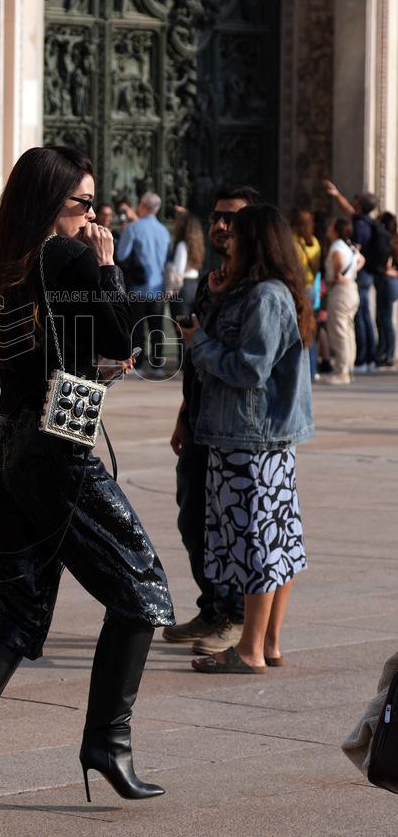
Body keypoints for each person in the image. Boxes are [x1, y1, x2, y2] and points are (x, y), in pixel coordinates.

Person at [0, 146, 174, 814]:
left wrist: (94, 361)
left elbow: (53, 356)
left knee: (21, 614)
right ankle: (106, 743)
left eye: (95, 204)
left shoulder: (11, 262)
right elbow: (123, 335)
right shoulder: (66, 256)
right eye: (81, 203)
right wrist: (109, 264)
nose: (94, 215)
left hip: (12, 446)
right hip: (59, 449)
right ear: (49, 205)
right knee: (142, 588)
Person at [181, 204, 314, 673]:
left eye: (235, 235)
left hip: (249, 439)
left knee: (257, 543)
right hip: (257, 438)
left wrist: (198, 342)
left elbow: (250, 368)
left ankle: (249, 649)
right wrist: (215, 300)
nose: (227, 241)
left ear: (255, 242)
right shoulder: (260, 293)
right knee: (278, 539)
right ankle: (269, 643)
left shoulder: (266, 297)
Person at [165, 185, 261, 655]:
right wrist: (184, 415)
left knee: (236, 526)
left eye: (233, 219)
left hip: (239, 427)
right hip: (203, 420)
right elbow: (194, 360)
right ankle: (213, 607)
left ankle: (239, 618)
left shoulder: (258, 290)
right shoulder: (210, 283)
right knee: (194, 519)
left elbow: (246, 363)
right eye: (217, 217)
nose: (221, 226)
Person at [322, 181, 386, 371]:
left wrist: (341, 273)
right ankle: (365, 359)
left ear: (359, 205)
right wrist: (336, 194)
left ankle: (364, 359)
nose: (352, 202)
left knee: (359, 319)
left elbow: (356, 255)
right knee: (358, 318)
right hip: (361, 277)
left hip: (357, 279)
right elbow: (348, 208)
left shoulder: (359, 227)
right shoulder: (366, 221)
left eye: (355, 200)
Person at [115, 191, 171, 375]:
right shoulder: (164, 231)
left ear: (143, 206)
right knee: (157, 327)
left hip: (138, 287)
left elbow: (122, 255)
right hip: (158, 287)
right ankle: (158, 366)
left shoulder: (134, 228)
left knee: (137, 327)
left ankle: (138, 365)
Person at [321, 218, 365, 385]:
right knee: (348, 329)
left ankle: (341, 371)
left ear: (336, 230)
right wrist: (351, 271)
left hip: (340, 291)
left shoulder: (337, 246)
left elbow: (338, 261)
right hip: (352, 288)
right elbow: (362, 260)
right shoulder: (350, 246)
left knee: (339, 330)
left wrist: (337, 275)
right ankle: (348, 368)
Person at [290, 209, 322, 381]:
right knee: (310, 328)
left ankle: (302, 370)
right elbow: (316, 267)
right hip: (311, 289)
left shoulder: (293, 242)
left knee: (298, 330)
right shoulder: (315, 242)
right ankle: (313, 369)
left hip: (298, 289)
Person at [166, 210, 206, 325]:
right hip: (194, 285)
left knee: (181, 329)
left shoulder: (182, 246)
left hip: (183, 288)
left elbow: (178, 272)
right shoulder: (196, 244)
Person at [375, 211, 398, 368]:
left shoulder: (387, 240)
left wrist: (387, 270)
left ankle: (388, 353)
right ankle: (385, 352)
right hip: (390, 282)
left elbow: (385, 264)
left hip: (388, 282)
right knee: (384, 319)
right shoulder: (392, 239)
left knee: (386, 319)